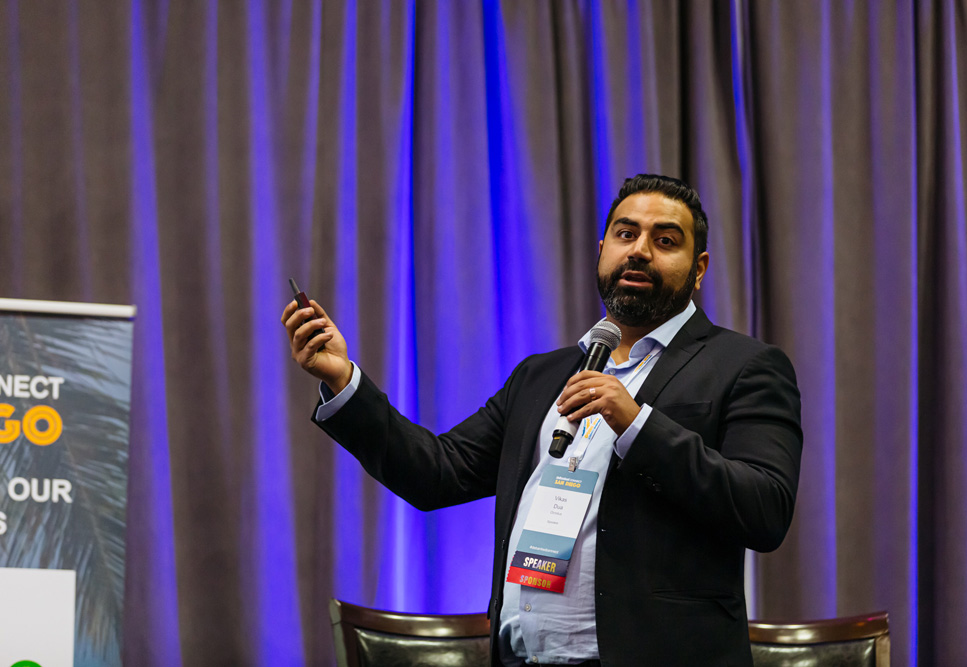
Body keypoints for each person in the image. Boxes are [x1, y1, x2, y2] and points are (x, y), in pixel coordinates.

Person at [282, 174, 802, 667]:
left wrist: (638, 424)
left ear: (699, 268)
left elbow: (764, 507)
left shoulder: (745, 366)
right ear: (602, 250)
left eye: (665, 241)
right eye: (625, 234)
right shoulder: (542, 375)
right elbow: (436, 472)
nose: (639, 250)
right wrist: (343, 380)